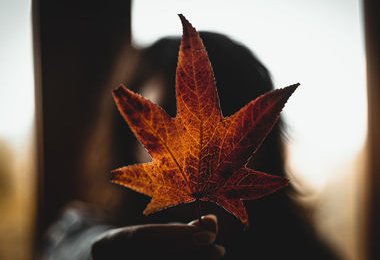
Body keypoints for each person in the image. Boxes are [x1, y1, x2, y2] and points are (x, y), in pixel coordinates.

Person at [39, 32, 339, 260]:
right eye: (168, 118)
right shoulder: (81, 230)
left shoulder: (305, 251)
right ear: (125, 136)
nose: (202, 150)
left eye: (234, 122)